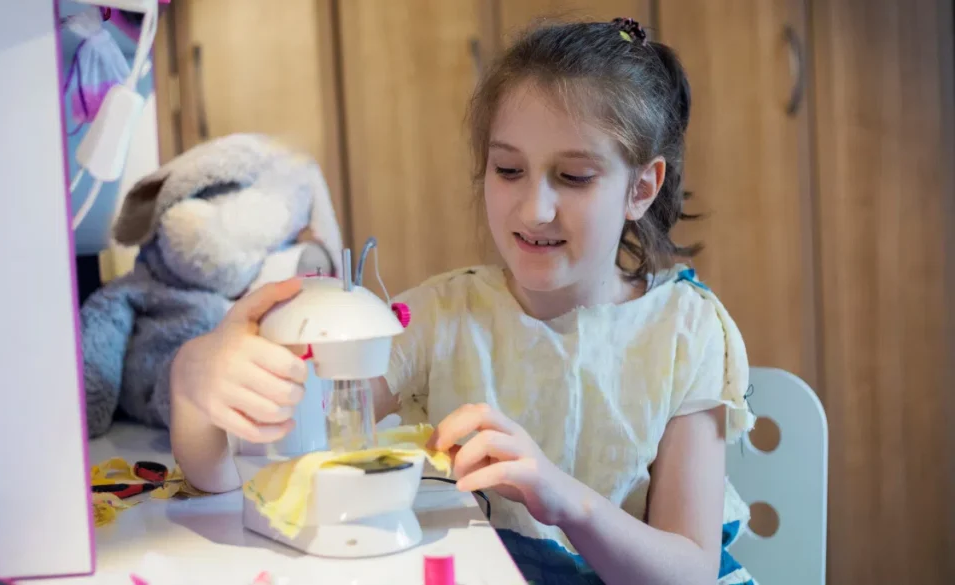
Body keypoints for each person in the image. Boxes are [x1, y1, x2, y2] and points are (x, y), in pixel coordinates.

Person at [169, 17, 757, 585]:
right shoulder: (437, 320)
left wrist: (566, 501)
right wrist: (196, 378)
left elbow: (689, 573)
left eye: (574, 176)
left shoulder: (686, 332)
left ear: (640, 188)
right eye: (508, 169)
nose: (534, 209)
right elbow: (242, 473)